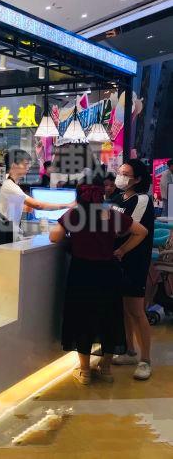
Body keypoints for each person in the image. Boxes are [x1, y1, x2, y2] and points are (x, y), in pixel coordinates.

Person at [49, 183, 147, 385]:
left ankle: (85, 372)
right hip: (108, 273)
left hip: (82, 273)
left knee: (82, 319)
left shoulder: (75, 215)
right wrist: (122, 250)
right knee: (109, 318)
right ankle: (106, 370)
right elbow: (141, 231)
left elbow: (54, 236)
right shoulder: (111, 214)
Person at [110, 159, 155, 380]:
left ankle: (145, 360)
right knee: (125, 309)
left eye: (126, 174)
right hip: (118, 259)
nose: (121, 176)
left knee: (137, 310)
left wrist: (122, 250)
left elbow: (129, 230)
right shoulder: (119, 198)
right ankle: (129, 351)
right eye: (120, 172)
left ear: (137, 179)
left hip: (134, 260)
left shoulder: (142, 199)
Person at [0, 149, 73, 237]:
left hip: (11, 232)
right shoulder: (10, 186)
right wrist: (67, 205)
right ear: (14, 165)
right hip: (6, 234)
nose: (28, 167)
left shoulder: (12, 184)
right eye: (25, 164)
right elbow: (38, 205)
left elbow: (25, 207)